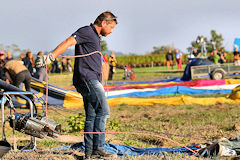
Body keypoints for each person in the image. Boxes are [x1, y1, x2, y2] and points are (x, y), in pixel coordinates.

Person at [39, 11, 118, 159]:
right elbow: (68, 41)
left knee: (92, 115)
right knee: (103, 111)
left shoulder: (94, 36)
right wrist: (51, 57)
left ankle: (89, 152)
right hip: (88, 79)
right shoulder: (86, 31)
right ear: (103, 23)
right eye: (111, 27)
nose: (112, 31)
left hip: (90, 79)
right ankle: (99, 148)